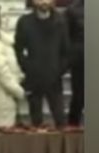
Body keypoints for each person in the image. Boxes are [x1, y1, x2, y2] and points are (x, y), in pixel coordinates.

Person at [14, 0, 70, 128]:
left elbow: (66, 51)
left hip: (54, 79)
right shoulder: (25, 22)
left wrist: (59, 70)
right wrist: (28, 68)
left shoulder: (61, 22)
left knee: (60, 120)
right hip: (34, 79)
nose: (44, 1)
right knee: (36, 123)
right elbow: (18, 50)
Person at [66, 0, 84, 126]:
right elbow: (66, 36)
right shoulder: (72, 10)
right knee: (78, 96)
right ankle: (73, 127)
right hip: (79, 60)